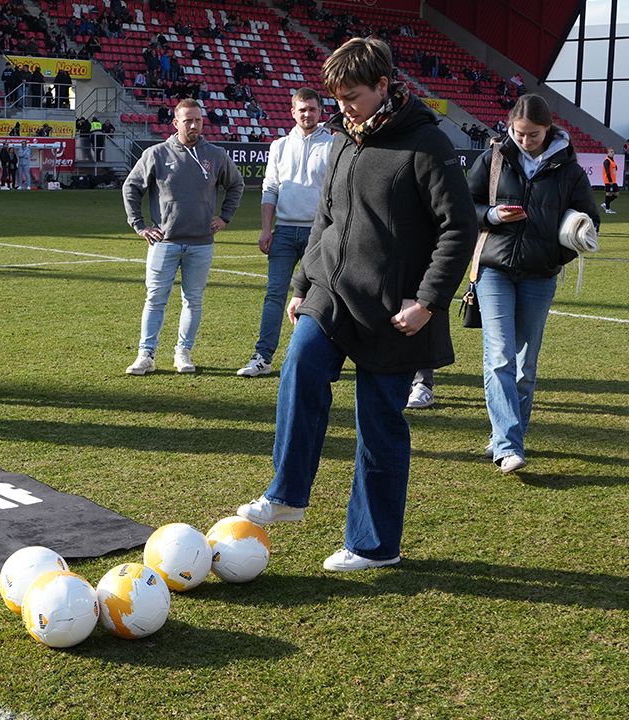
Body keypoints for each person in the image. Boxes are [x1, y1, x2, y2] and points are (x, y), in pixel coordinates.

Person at [235, 37, 477, 570]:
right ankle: (286, 495)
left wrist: (429, 302)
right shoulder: (344, 139)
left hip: (396, 313)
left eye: (353, 96)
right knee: (299, 365)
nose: (343, 107)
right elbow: (326, 219)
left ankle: (374, 546)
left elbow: (459, 228)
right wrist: (302, 287)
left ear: (384, 87)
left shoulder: (427, 145)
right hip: (332, 295)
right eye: (337, 97)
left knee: (379, 423)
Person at [467, 94, 600, 473]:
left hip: (541, 275)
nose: (525, 141)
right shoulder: (492, 158)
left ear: (549, 128)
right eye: (519, 134)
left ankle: (509, 437)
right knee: (499, 357)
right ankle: (508, 445)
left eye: (534, 135)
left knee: (525, 367)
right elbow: (465, 205)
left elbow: (590, 223)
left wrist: (559, 253)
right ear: (511, 126)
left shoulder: (570, 170)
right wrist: (492, 214)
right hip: (494, 269)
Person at [122, 98, 244, 375]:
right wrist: (140, 225)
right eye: (188, 120)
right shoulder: (157, 154)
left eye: (198, 120)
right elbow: (131, 187)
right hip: (164, 242)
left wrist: (225, 217)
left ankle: (183, 352)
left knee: (194, 300)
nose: (194, 125)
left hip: (201, 243)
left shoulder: (215, 154)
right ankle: (146, 355)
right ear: (176, 123)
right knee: (155, 300)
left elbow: (235, 184)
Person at [237, 87, 332, 378]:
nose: (307, 114)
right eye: (302, 109)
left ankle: (317, 358)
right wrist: (266, 229)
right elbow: (270, 189)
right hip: (284, 231)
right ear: (292, 112)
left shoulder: (332, 144)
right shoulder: (278, 146)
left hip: (319, 234)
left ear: (320, 111)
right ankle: (262, 357)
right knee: (274, 295)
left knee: (322, 298)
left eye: (312, 109)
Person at [602, 147, 619, 214]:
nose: (612, 153)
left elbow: (615, 169)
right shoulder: (607, 161)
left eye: (613, 152)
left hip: (614, 180)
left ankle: (605, 204)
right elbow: (607, 171)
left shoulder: (612, 161)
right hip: (609, 180)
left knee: (616, 194)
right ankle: (607, 209)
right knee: (608, 194)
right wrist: (610, 180)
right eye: (611, 152)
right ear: (608, 153)